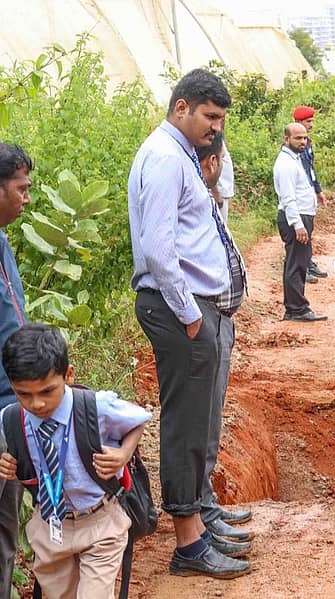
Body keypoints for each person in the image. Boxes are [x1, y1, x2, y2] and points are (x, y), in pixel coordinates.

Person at [128, 68, 250, 577]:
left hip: (201, 308)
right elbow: (159, 249)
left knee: (202, 421)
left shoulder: (182, 156)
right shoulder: (162, 157)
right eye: (210, 117)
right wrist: (190, 315)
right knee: (184, 425)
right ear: (182, 107)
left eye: (221, 118)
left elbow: (199, 227)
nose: (216, 128)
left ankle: (200, 515)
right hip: (183, 310)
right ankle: (188, 544)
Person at [0, 324, 151, 597]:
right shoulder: (11, 419)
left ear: (68, 376)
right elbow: (12, 454)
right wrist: (7, 462)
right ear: (12, 386)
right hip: (50, 528)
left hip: (100, 522)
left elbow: (137, 420)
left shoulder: (95, 406)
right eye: (24, 394)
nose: (37, 404)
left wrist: (123, 454)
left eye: (47, 391)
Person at [194, 133, 253, 539]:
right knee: (199, 418)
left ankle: (206, 506)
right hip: (200, 317)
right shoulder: (190, 199)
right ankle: (196, 513)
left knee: (212, 416)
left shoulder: (208, 201)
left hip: (217, 315)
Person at [0, 144, 31, 599]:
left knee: (5, 530)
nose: (27, 198)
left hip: (12, 405)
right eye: (22, 189)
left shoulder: (2, 242)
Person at [274, 123, 327, 323]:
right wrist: (298, 225)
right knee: (296, 263)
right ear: (287, 139)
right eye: (298, 138)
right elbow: (288, 198)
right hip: (295, 217)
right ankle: (297, 309)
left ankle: (296, 307)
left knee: (298, 262)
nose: (303, 142)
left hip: (302, 215)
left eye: (305, 138)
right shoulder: (286, 164)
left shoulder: (295, 159)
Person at [292, 106, 329, 281]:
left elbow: (311, 168)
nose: (311, 125)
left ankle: (308, 262)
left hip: (308, 191)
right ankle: (300, 267)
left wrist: (318, 190)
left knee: (309, 229)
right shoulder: (293, 145)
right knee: (300, 232)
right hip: (298, 194)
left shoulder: (308, 142)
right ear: (298, 123)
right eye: (308, 121)